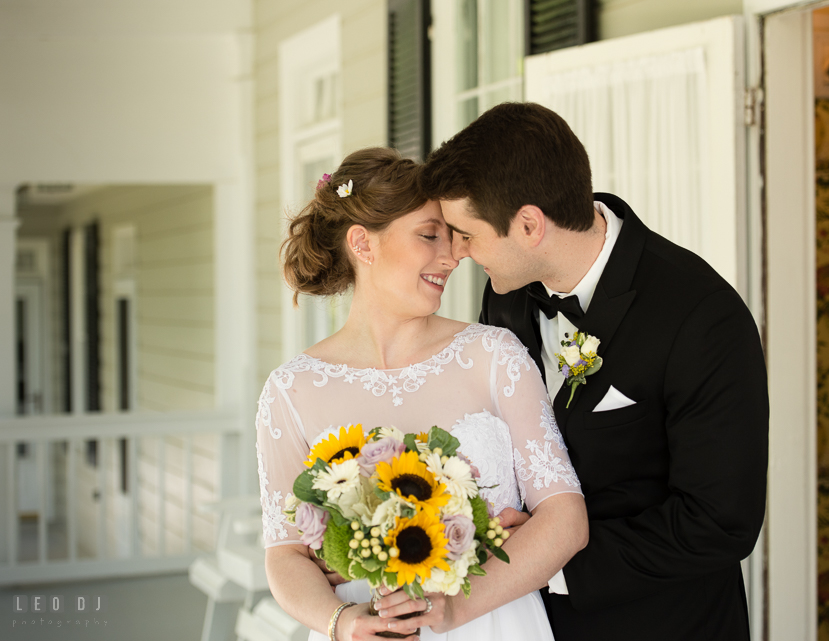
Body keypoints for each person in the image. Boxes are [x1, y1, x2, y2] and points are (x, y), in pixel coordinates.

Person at [419, 102, 769, 641]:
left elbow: (719, 523)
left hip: (665, 625)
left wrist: (545, 559)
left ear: (529, 224)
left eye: (466, 233)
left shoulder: (702, 317)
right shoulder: (506, 294)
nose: (457, 252)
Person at [256, 147, 588, 641]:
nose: (452, 256)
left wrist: (454, 610)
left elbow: (565, 520)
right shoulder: (291, 391)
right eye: (429, 236)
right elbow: (284, 555)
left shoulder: (495, 356)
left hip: (494, 623)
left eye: (454, 238)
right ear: (363, 245)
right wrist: (341, 622)